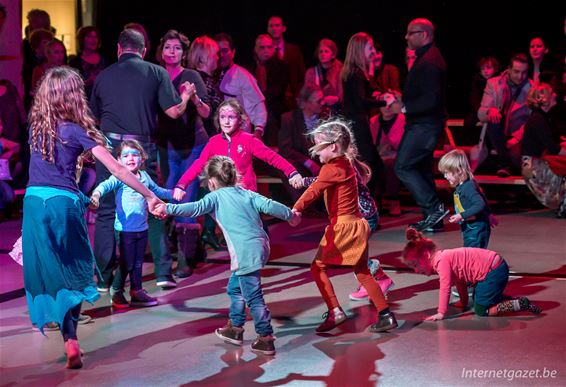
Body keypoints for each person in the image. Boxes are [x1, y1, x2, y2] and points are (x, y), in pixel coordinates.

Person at [24, 66, 163, 369]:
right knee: (75, 270)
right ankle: (72, 340)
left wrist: (88, 198)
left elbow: (50, 176)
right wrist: (150, 194)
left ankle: (64, 334)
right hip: (62, 204)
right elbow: (118, 170)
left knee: (52, 273)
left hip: (33, 204)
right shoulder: (75, 131)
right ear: (74, 97)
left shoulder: (36, 130)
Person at [162, 156, 301, 355]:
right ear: (234, 176)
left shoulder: (215, 197)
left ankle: (266, 337)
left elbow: (194, 208)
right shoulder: (246, 193)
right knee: (235, 288)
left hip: (245, 252)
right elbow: (271, 205)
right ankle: (234, 328)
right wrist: (291, 216)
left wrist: (167, 208)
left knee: (253, 297)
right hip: (261, 247)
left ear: (211, 182)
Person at [90, 28, 192, 290]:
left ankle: (104, 277)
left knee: (106, 211)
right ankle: (162, 274)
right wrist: (186, 96)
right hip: (140, 148)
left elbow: (93, 117)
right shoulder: (156, 72)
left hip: (109, 146)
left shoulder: (103, 75)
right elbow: (173, 112)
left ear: (119, 49)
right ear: (144, 50)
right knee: (153, 202)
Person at [292, 119, 398, 333]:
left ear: (332, 147)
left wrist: (294, 210)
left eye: (319, 147)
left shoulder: (331, 168)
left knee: (317, 267)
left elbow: (314, 192)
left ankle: (335, 311)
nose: (315, 153)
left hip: (343, 226)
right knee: (362, 272)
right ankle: (386, 315)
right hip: (356, 223)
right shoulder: (344, 164)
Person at [91, 140, 172, 308]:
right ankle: (117, 290)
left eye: (135, 155)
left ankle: (137, 291)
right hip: (125, 230)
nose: (130, 159)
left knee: (137, 262)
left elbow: (156, 191)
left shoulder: (145, 177)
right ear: (119, 160)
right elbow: (105, 185)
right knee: (127, 262)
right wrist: (97, 194)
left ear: (142, 158)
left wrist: (174, 193)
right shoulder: (119, 178)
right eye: (126, 155)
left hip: (142, 228)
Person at [156, 30, 211, 277]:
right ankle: (195, 250)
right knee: (169, 197)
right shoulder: (156, 75)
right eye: (168, 47)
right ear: (161, 50)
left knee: (185, 198)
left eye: (177, 48)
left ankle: (185, 260)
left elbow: (208, 112)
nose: (172, 52)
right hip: (167, 147)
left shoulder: (191, 76)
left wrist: (194, 99)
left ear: (184, 53)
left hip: (194, 145)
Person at [174, 99, 303, 200]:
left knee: (256, 232)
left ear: (240, 120)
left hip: (246, 197)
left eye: (231, 117)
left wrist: (291, 172)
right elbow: (199, 164)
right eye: (222, 117)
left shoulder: (248, 140)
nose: (226, 122)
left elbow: (272, 157)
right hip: (224, 197)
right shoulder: (214, 142)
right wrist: (181, 184)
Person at [402, 228, 542, 321]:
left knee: (481, 309)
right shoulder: (444, 258)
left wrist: (441, 312)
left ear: (426, 255)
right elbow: (460, 281)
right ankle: (516, 300)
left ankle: (518, 304)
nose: (416, 270)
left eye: (415, 265)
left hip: (493, 271)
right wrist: (463, 302)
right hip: (494, 268)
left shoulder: (441, 261)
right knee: (480, 297)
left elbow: (445, 287)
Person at [393, 18, 448, 232]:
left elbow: (431, 99)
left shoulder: (430, 61)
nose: (406, 37)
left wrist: (405, 108)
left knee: (403, 166)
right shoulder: (428, 57)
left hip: (424, 125)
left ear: (423, 35)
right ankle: (433, 219)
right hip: (424, 124)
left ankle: (434, 209)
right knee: (421, 169)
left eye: (410, 33)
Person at [341, 32, 390, 196]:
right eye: (370, 47)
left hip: (357, 124)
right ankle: (367, 208)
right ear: (361, 49)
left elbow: (365, 94)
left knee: (372, 166)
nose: (372, 51)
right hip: (357, 126)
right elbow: (361, 102)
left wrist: (377, 96)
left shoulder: (357, 72)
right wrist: (384, 102)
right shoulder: (355, 73)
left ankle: (371, 207)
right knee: (368, 167)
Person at [477, 53, 533, 176]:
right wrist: (490, 110)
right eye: (516, 72)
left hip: (518, 135)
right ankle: (504, 164)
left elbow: (532, 120)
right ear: (509, 69)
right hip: (497, 133)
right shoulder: (493, 83)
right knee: (493, 119)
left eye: (524, 72)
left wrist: (516, 138)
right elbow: (481, 114)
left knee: (518, 156)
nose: (520, 76)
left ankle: (505, 165)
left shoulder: (532, 87)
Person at [521, 82, 566, 217]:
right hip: (534, 167)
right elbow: (553, 148)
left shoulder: (542, 117)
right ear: (544, 99)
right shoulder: (538, 119)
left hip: (536, 164)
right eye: (552, 94)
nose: (555, 95)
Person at [438, 149, 495, 248]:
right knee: (470, 252)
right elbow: (483, 197)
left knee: (472, 253)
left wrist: (461, 215)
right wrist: (489, 214)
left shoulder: (468, 186)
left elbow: (480, 203)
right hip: (470, 226)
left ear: (458, 171)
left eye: (447, 173)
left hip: (476, 227)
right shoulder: (463, 185)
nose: (445, 176)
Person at [214, 33, 267, 136]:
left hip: (238, 134)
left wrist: (258, 130)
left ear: (233, 52)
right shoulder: (209, 74)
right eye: (218, 51)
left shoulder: (243, 76)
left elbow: (258, 104)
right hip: (215, 134)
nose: (221, 55)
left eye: (225, 50)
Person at [278, 84, 324, 201]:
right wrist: (308, 162)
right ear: (306, 103)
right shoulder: (289, 119)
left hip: (321, 161)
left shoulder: (324, 117)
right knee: (290, 167)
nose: (322, 103)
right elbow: (285, 149)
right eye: (318, 101)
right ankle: (304, 205)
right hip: (300, 162)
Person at [248, 34, 290, 145]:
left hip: (274, 111)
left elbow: (278, 91)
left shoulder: (282, 67)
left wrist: (260, 100)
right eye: (262, 47)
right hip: (252, 110)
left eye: (269, 47)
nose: (266, 50)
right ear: (255, 49)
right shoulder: (249, 67)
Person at [370, 94, 405, 216]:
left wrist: (390, 145)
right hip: (378, 156)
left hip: (397, 156)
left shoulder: (402, 119)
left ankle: (394, 201)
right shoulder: (373, 121)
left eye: (390, 105)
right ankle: (374, 202)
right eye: (384, 105)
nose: (387, 108)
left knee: (390, 164)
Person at [187, 35, 222, 136]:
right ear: (203, 57)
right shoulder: (200, 80)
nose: (218, 57)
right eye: (215, 54)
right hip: (204, 138)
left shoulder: (207, 79)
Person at [267, 15, 306, 105]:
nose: (274, 29)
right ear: (268, 29)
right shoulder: (265, 52)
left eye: (277, 25)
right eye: (271, 26)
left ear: (283, 28)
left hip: (292, 99)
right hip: (271, 102)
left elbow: (302, 76)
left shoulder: (294, 50)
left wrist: (297, 95)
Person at [463, 57, 500, 137]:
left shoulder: (499, 81)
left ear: (495, 68)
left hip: (496, 112)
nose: (486, 71)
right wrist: (481, 113)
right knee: (468, 123)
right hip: (480, 111)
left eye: (489, 68)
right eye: (483, 69)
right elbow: (474, 99)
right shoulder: (477, 81)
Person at [304, 38, 343, 113]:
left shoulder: (340, 71)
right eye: (320, 51)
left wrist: (336, 99)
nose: (323, 54)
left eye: (326, 51)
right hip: (316, 112)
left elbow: (343, 95)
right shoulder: (311, 72)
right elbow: (307, 95)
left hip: (336, 110)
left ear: (333, 55)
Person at [69, 26, 106, 99]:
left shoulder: (105, 59)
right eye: (89, 36)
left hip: (103, 100)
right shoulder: (74, 62)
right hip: (84, 102)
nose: (93, 40)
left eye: (96, 37)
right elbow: (71, 87)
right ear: (82, 40)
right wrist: (87, 82)